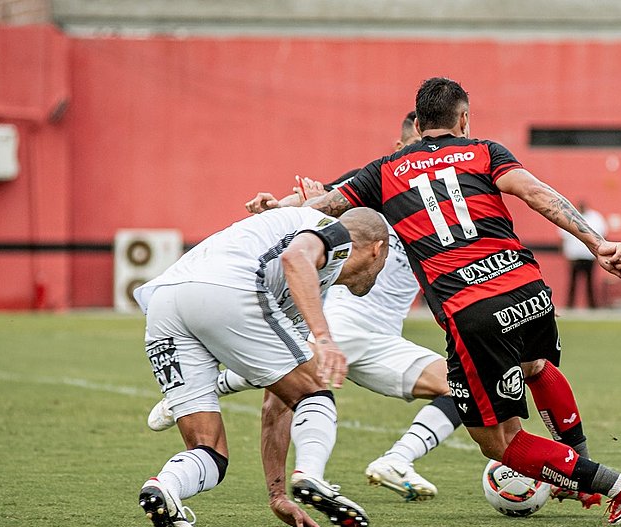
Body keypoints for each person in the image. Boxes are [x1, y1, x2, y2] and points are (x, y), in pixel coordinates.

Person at [292, 77, 621, 525]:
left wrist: (282, 207)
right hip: (529, 290)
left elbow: (323, 207)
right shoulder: (485, 151)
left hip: (473, 311)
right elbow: (537, 193)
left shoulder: (385, 171)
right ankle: (576, 465)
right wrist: (596, 242)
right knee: (535, 368)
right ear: (462, 118)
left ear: (418, 122)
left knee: (498, 442)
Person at [148, 112, 462, 504]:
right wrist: (277, 205)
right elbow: (316, 205)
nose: (436, 157)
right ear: (400, 149)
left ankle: (397, 459)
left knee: (464, 386)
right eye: (423, 148)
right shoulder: (374, 183)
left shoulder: (448, 200)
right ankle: (291, 467)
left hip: (383, 337)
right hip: (341, 323)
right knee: (294, 392)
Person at [134, 205, 389, 527]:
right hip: (227, 287)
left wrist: (277, 494)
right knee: (315, 391)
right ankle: (311, 474)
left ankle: (164, 488)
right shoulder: (333, 232)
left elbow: (276, 404)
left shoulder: (304, 287)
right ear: (378, 250)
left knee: (209, 450)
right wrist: (324, 338)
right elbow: (296, 259)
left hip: (165, 302)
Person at [560, 201, 608, 309]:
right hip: (574, 256)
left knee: (590, 282)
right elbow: (563, 237)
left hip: (589, 256)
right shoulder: (569, 215)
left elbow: (603, 235)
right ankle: (570, 305)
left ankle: (592, 305)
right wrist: (565, 254)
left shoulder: (595, 218)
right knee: (573, 282)